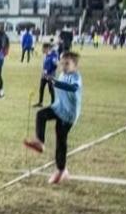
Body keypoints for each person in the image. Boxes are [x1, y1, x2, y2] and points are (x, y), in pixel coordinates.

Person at [24, 52, 82, 184]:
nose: (64, 66)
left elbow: (72, 88)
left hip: (68, 114)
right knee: (41, 114)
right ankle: (40, 142)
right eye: (62, 63)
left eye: (67, 63)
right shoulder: (62, 75)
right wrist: (49, 79)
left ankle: (61, 170)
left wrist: (55, 82)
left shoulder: (76, 77)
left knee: (61, 140)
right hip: (58, 108)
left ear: (75, 66)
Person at [34, 42, 58, 107]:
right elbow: (45, 64)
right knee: (41, 88)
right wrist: (44, 71)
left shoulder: (53, 55)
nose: (42, 50)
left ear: (47, 48)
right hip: (44, 75)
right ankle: (40, 102)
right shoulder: (45, 55)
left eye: (43, 49)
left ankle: (53, 103)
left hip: (50, 75)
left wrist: (50, 73)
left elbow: (55, 65)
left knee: (51, 89)